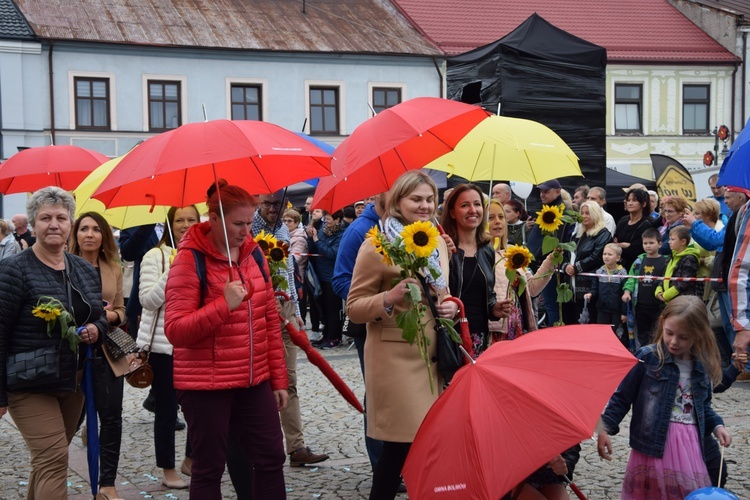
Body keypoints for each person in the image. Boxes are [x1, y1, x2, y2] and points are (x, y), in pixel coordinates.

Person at [164, 181, 288, 499]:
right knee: (209, 467)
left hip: (253, 379)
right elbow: (176, 330)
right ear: (214, 218)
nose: (245, 230)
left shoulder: (254, 255)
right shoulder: (189, 261)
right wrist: (223, 305)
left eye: (250, 222)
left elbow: (269, 321)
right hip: (206, 385)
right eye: (238, 223)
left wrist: (278, 379)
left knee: (272, 457)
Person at [346, 170, 459, 500]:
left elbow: (443, 292)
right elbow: (353, 307)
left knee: (427, 448)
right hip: (395, 361)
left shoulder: (437, 242)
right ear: (397, 202)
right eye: (416, 199)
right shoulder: (376, 246)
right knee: (399, 448)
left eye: (429, 199)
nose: (424, 206)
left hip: (433, 360)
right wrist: (389, 298)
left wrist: (449, 306)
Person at [0, 186, 106, 499]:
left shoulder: (85, 270)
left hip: (72, 383)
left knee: (48, 458)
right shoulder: (13, 270)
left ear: (70, 223)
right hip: (29, 383)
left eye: (61, 217)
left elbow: (99, 315)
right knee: (53, 456)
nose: (54, 224)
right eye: (45, 218)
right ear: (33, 225)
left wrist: (96, 330)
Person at [597, 295, 731, 499]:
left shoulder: (702, 366)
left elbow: (704, 407)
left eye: (683, 337)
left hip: (690, 447)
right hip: (653, 444)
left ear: (699, 336)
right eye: (669, 333)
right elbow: (622, 397)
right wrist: (604, 429)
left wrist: (718, 426)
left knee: (685, 493)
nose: (674, 341)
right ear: (662, 324)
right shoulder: (647, 357)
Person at [250, 191, 328, 471]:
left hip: (283, 310)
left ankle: (296, 446)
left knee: (289, 379)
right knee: (259, 383)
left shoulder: (283, 228)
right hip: (256, 311)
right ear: (259, 203)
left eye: (278, 204)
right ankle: (259, 447)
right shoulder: (248, 229)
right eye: (268, 204)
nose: (273, 209)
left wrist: (294, 310)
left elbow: (287, 273)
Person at [137, 206, 200, 490]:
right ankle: (168, 468)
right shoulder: (156, 256)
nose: (185, 225)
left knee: (198, 410)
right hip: (165, 348)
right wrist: (174, 271)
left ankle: (190, 459)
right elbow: (147, 300)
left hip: (195, 345)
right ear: (169, 224)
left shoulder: (204, 255)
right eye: (179, 220)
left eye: (191, 220)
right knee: (166, 411)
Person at [69, 211, 127, 499]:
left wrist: (109, 315)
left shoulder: (112, 267)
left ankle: (108, 484)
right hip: (72, 352)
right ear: (75, 235)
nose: (89, 234)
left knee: (112, 416)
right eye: (83, 229)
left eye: (95, 229)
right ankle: (48, 471)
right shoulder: (63, 265)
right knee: (72, 418)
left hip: (107, 349)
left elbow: (121, 310)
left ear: (104, 235)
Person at [332, 194, 386, 473]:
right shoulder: (359, 231)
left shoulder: (409, 228)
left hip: (403, 330)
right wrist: (376, 301)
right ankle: (382, 467)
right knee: (378, 396)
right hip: (372, 327)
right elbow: (340, 280)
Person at [441, 184, 511, 357]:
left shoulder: (486, 250)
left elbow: (487, 293)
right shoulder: (442, 248)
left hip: (479, 338)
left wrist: (494, 309)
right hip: (449, 338)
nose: (473, 210)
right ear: (452, 213)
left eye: (477, 204)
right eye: (465, 205)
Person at [487, 199, 554, 340]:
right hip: (494, 328)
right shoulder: (478, 253)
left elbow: (532, 288)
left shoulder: (512, 252)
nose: (498, 222)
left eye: (501, 217)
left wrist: (551, 261)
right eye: (490, 218)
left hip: (517, 324)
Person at [526, 179, 575, 325]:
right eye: (541, 191)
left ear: (558, 191)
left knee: (553, 307)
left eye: (546, 191)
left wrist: (545, 256)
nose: (542, 195)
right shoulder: (548, 210)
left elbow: (558, 241)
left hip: (552, 266)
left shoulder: (560, 212)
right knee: (550, 307)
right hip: (543, 264)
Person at [564, 201, 611, 323]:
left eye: (588, 213)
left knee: (589, 319)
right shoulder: (578, 234)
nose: (584, 216)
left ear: (595, 214)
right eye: (582, 213)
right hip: (572, 284)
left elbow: (596, 257)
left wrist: (576, 268)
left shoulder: (604, 234)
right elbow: (567, 253)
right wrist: (566, 267)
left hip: (590, 285)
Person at [306, 209, 347, 349]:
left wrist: (317, 241)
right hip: (320, 275)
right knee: (322, 307)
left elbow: (332, 253)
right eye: (326, 219)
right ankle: (326, 335)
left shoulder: (342, 234)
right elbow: (313, 250)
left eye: (329, 219)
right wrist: (310, 237)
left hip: (332, 276)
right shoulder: (323, 230)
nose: (326, 222)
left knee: (333, 308)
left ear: (337, 220)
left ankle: (334, 336)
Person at [622, 228, 668, 347]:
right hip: (640, 305)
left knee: (658, 333)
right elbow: (631, 279)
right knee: (642, 334)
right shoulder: (639, 261)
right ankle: (644, 355)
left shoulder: (666, 261)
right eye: (645, 243)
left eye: (651, 243)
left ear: (660, 244)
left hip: (659, 306)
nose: (648, 246)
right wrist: (627, 292)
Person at [584, 243, 628, 341]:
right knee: (602, 334)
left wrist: (624, 313)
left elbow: (625, 294)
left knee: (617, 335)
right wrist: (590, 294)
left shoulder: (622, 273)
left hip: (617, 311)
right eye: (604, 254)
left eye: (610, 254)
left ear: (618, 258)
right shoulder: (600, 271)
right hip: (602, 309)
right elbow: (594, 289)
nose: (606, 256)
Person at [655, 226, 700, 303]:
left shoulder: (689, 258)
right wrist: (659, 290)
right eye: (670, 239)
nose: (669, 242)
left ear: (683, 242)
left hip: (683, 302)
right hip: (668, 301)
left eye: (672, 239)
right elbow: (664, 275)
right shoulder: (671, 256)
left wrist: (666, 295)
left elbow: (685, 282)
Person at [613, 188, 653, 271]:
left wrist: (619, 245)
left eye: (634, 200)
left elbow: (636, 249)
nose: (630, 203)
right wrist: (624, 245)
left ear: (644, 204)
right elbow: (613, 243)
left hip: (637, 267)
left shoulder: (648, 223)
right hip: (619, 267)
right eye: (628, 200)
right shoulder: (622, 220)